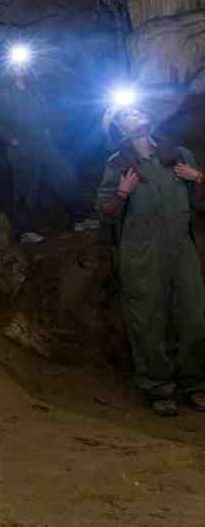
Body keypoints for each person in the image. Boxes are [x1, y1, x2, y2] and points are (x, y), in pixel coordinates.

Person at [97, 103, 205, 417]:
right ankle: (159, 388)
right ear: (119, 127)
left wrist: (199, 178)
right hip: (141, 251)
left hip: (180, 248)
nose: (138, 112)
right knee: (148, 320)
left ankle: (195, 384)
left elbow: (200, 204)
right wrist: (121, 193)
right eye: (128, 113)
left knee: (194, 317)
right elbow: (104, 213)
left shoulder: (179, 155)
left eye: (138, 108)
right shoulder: (119, 164)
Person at [0, 49, 97, 243]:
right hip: (22, 146)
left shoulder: (35, 90)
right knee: (26, 188)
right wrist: (12, 141)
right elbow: (1, 122)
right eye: (17, 66)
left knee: (65, 174)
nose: (21, 69)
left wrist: (49, 134)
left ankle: (81, 218)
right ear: (10, 70)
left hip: (43, 141)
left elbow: (45, 114)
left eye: (23, 65)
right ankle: (25, 231)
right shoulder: (5, 94)